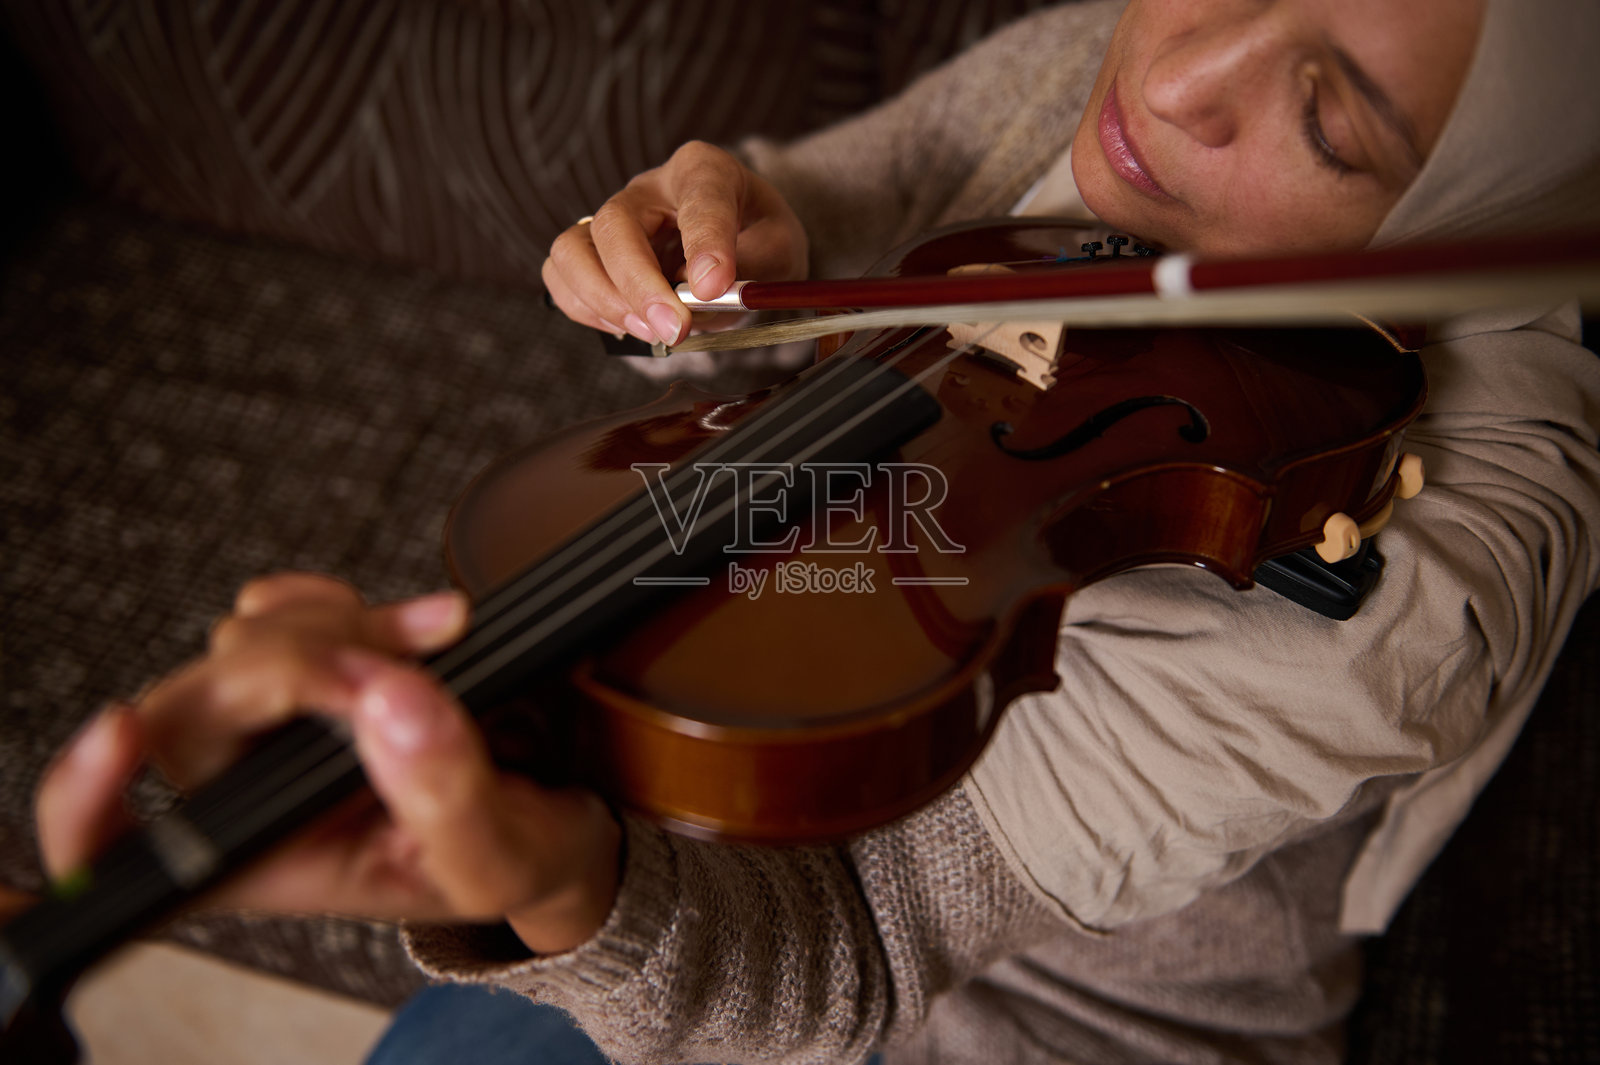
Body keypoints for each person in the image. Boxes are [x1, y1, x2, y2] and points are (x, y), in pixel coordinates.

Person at [33, 0, 1600, 1062]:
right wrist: (728, 220)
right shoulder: (1108, 65)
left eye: (1325, 128)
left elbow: (858, 938)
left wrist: (584, 890)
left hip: (1065, 1024)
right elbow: (838, 211)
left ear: (1464, 212)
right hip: (715, 826)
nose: (1179, 79)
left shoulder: (1436, 549)